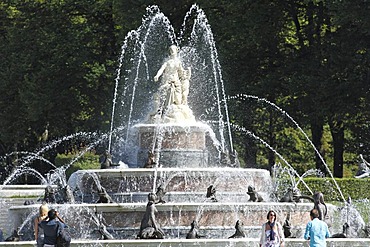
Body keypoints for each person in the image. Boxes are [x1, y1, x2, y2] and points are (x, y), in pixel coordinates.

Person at [154, 45, 185, 109]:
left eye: (173, 49)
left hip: (177, 83)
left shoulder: (178, 62)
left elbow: (181, 72)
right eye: (171, 49)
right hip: (168, 82)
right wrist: (157, 75)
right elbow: (161, 69)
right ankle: (165, 113)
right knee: (168, 101)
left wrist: (185, 75)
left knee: (178, 101)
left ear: (176, 50)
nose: (172, 51)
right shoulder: (167, 62)